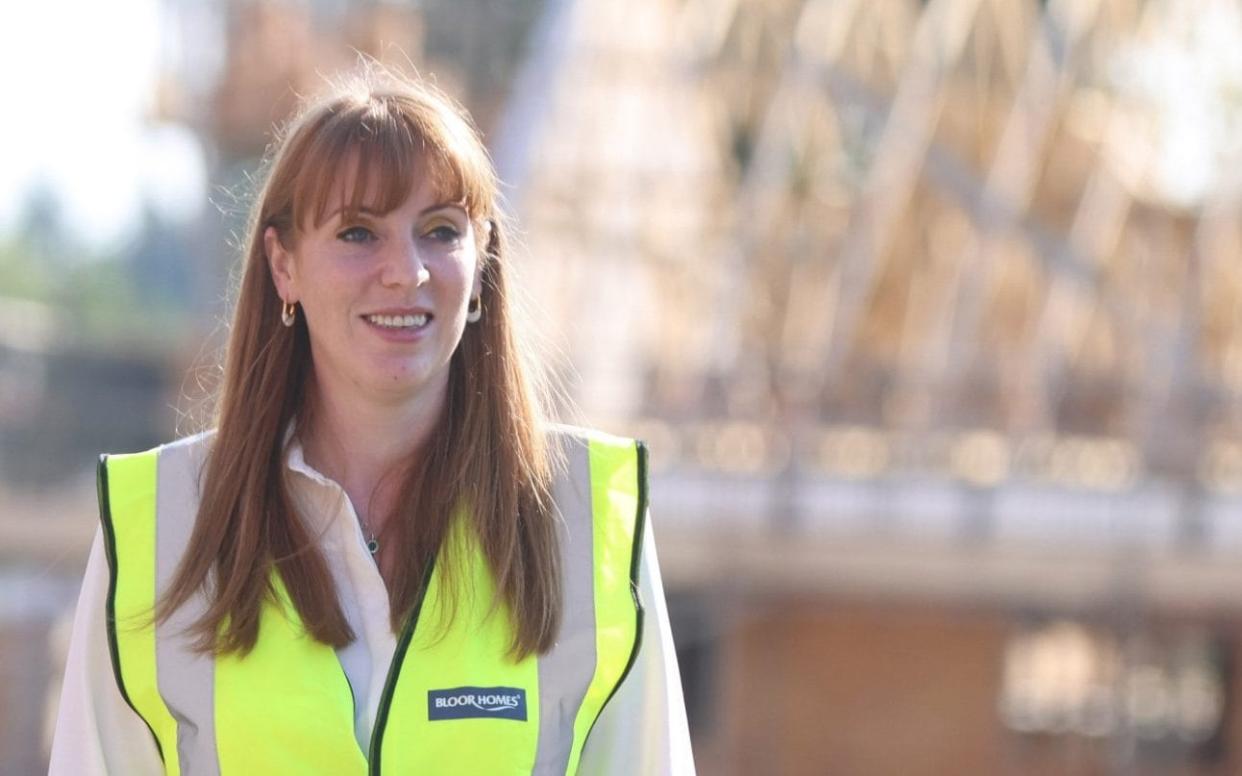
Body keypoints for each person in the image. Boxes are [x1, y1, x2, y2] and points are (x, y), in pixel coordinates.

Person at [49, 64, 695, 775]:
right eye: (359, 233)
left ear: (481, 265)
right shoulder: (156, 524)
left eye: (440, 231)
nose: (405, 271)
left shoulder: (590, 515)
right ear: (284, 265)